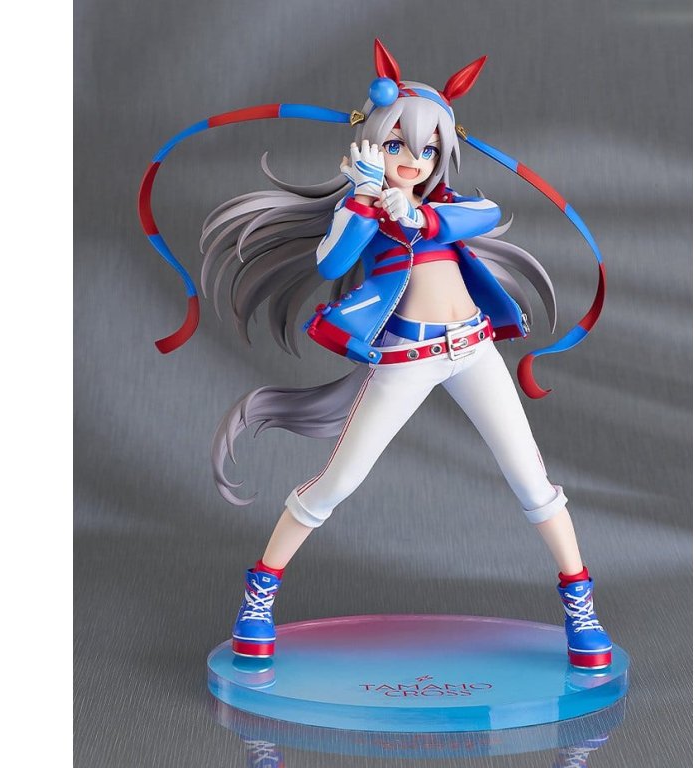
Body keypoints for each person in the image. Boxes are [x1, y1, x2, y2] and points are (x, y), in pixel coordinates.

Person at [192, 40, 612, 669]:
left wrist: (417, 216)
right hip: (406, 358)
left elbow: (487, 211)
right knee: (338, 481)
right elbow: (331, 262)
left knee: (533, 482)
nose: (414, 160)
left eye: (429, 150)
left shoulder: (445, 206)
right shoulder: (361, 208)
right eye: (397, 145)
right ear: (371, 144)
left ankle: (581, 608)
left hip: (474, 349)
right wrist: (365, 203)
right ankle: (259, 597)